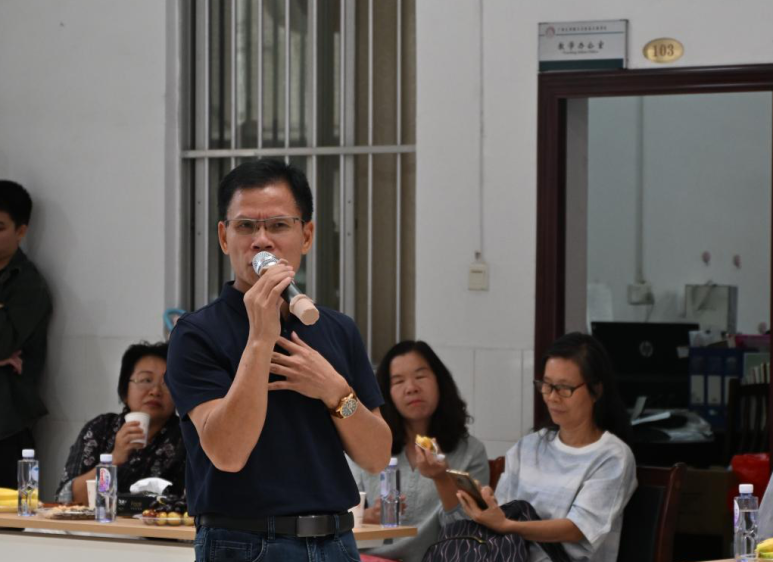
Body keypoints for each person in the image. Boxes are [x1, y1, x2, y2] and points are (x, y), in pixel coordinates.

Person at [164, 159, 392, 562]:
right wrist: (259, 340)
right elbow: (227, 453)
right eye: (245, 226)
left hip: (335, 540)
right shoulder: (196, 333)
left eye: (279, 225)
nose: (262, 241)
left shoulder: (338, 328)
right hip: (243, 541)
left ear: (307, 235)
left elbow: (376, 457)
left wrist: (335, 392)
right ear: (224, 237)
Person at [456, 332, 636, 562]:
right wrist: (489, 507)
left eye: (564, 388)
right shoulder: (529, 446)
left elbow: (577, 529)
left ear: (596, 390)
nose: (552, 397)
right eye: (547, 385)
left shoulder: (612, 456)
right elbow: (503, 512)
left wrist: (508, 526)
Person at [350, 340, 489, 562]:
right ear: (385, 394)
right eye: (398, 381)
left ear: (440, 382)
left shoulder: (471, 451)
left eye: (421, 376)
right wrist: (365, 516)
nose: (411, 388)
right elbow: (337, 518)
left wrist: (442, 479)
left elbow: (467, 533)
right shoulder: (368, 447)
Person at [56, 341, 186, 504]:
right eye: (146, 380)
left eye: (167, 383)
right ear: (125, 391)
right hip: (100, 520)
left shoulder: (188, 437)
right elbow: (67, 500)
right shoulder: (101, 429)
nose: (155, 391)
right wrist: (114, 459)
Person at [0, 180, 52, 488]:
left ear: (21, 231)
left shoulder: (29, 284)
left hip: (7, 425)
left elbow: (2, 343)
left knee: (9, 512)